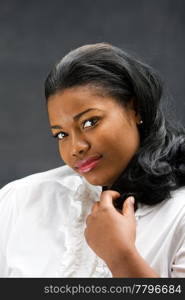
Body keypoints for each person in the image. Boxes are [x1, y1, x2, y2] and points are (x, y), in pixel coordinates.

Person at [0, 43, 185, 278]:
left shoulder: (179, 214)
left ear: (135, 108)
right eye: (61, 134)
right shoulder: (18, 201)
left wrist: (121, 257)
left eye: (90, 122)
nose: (75, 147)